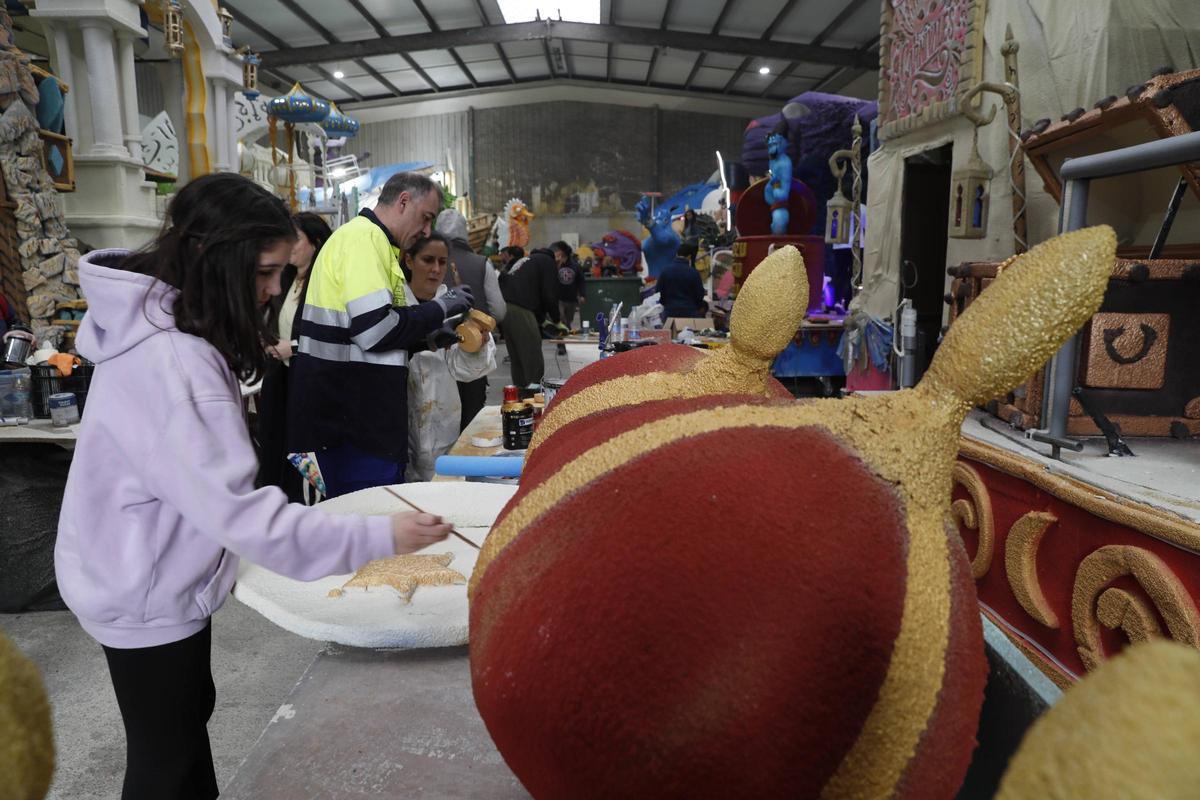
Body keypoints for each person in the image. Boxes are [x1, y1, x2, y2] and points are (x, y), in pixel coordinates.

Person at [53, 172, 452, 800]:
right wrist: (380, 538)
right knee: (166, 763)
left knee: (183, 730)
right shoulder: (175, 364)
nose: (273, 289)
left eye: (279, 272)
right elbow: (247, 519)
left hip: (138, 568)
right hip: (144, 588)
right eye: (264, 272)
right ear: (215, 259)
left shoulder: (161, 331)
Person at [286, 172, 474, 497]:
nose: (426, 230)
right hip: (352, 430)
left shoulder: (376, 243)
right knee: (369, 518)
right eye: (425, 217)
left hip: (355, 423)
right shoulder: (364, 241)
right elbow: (374, 331)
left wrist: (426, 339)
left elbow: (368, 332)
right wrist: (440, 308)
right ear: (403, 201)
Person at [402, 233, 496, 480]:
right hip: (400, 428)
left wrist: (477, 345)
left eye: (442, 262)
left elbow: (467, 371)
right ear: (409, 261)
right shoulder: (394, 305)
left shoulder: (454, 308)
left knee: (441, 483)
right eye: (428, 260)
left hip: (444, 423)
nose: (435, 269)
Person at [256, 212, 331, 501]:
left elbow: (331, 335)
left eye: (296, 239)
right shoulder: (285, 279)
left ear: (316, 243)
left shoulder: (324, 282)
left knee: (301, 450)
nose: (289, 245)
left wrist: (295, 347)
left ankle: (306, 501)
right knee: (275, 442)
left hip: (307, 380)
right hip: (280, 377)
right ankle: (276, 500)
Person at [434, 208, 506, 431]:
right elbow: (499, 310)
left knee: (438, 421)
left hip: (434, 355)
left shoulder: (426, 262)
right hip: (472, 352)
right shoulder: (481, 263)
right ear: (465, 232)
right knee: (471, 419)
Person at [498, 246, 563, 390]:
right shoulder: (547, 261)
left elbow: (530, 291)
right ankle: (534, 393)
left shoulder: (525, 261)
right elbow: (549, 294)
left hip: (504, 307)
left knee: (517, 355)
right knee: (532, 353)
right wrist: (556, 320)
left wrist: (542, 320)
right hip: (521, 309)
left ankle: (520, 390)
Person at [657, 241, 708, 320]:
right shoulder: (693, 273)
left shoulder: (665, 271)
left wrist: (667, 304)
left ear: (677, 254)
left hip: (669, 313)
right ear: (689, 256)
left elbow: (658, 292)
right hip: (689, 313)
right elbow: (699, 295)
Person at [552, 240, 586, 330]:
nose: (557, 253)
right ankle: (562, 332)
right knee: (561, 318)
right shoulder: (555, 264)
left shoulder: (575, 266)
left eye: (558, 251)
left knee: (568, 320)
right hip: (559, 297)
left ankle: (566, 332)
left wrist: (582, 295)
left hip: (571, 298)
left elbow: (581, 281)